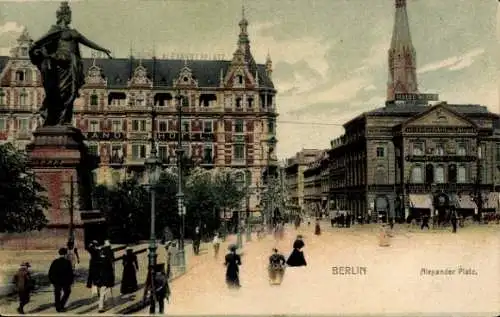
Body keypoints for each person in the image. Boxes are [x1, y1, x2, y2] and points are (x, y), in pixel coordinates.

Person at [28, 1, 112, 126]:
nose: (70, 18)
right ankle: (56, 118)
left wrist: (103, 50)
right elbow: (40, 43)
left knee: (71, 92)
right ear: (63, 16)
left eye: (70, 15)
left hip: (72, 64)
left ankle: (65, 120)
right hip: (60, 63)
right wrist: (35, 51)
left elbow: (88, 42)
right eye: (68, 15)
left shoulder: (73, 32)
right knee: (59, 91)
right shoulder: (55, 30)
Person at [48, 248, 74, 312]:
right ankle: (61, 305)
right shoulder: (67, 262)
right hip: (65, 282)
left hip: (56, 282)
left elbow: (50, 272)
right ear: (65, 254)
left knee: (57, 294)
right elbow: (70, 273)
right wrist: (71, 281)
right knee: (67, 292)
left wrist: (52, 281)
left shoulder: (55, 262)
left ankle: (58, 307)